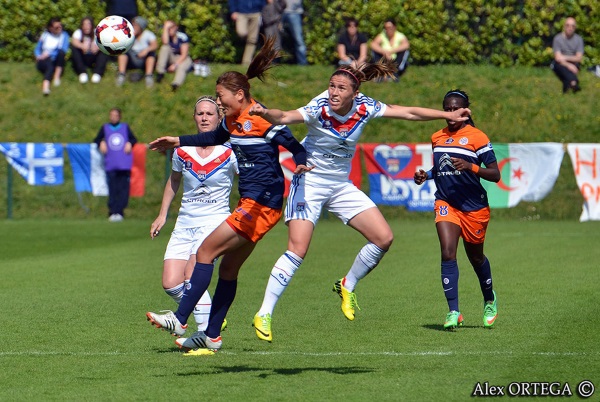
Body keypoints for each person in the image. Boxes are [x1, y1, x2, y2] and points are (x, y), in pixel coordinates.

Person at [248, 60, 472, 342]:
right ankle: (265, 312)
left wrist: (446, 115)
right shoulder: (319, 107)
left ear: (355, 93)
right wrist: (266, 112)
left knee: (383, 237)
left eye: (341, 87)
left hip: (340, 186)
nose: (333, 91)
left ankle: (347, 284)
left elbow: (409, 113)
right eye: (331, 85)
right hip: (310, 182)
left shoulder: (365, 107)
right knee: (298, 249)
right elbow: (284, 117)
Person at [145, 37, 311, 353]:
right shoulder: (233, 121)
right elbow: (213, 135)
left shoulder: (261, 118)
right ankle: (212, 336)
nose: (218, 103)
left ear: (239, 95)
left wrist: (301, 164)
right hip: (254, 204)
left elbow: (296, 147)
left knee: (205, 252)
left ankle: (180, 320)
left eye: (221, 97)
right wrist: (178, 140)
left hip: (263, 205)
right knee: (229, 270)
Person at [150, 96, 238, 333]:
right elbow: (174, 180)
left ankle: (204, 336)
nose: (204, 118)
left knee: (192, 273)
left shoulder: (230, 151)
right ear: (194, 117)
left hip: (214, 221)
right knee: (170, 283)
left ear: (220, 117)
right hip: (185, 221)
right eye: (200, 113)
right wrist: (162, 215)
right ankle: (206, 312)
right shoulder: (182, 150)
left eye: (210, 113)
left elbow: (249, 181)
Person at [413, 89, 500, 330]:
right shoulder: (437, 137)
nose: (451, 113)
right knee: (448, 251)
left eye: (455, 109)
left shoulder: (477, 137)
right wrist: (426, 175)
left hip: (474, 208)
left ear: (465, 111)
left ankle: (489, 299)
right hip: (446, 203)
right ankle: (454, 311)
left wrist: (471, 167)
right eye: (447, 109)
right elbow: (441, 168)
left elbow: (495, 174)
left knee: (476, 257)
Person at [93, 108, 137, 222]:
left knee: (123, 189)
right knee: (112, 189)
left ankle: (120, 211)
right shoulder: (105, 128)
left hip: (123, 164)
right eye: (111, 115)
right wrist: (101, 142)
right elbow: (96, 140)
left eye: (115, 115)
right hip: (111, 163)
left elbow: (134, 139)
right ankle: (112, 211)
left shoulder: (125, 127)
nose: (113, 117)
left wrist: (129, 143)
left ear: (119, 116)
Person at [116, 16, 158, 88]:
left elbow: (155, 45)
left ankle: (148, 77)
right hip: (132, 58)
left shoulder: (148, 34)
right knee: (123, 52)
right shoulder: (129, 34)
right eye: (133, 25)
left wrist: (146, 50)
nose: (133, 27)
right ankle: (121, 75)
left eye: (136, 25)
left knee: (151, 54)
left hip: (144, 59)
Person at [34, 17, 70, 96]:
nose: (60, 28)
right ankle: (45, 88)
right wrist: (38, 56)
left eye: (60, 25)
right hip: (44, 59)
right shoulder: (45, 35)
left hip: (56, 59)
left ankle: (56, 77)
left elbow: (63, 49)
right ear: (51, 28)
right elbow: (37, 48)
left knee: (61, 54)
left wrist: (49, 54)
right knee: (49, 67)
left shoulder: (64, 35)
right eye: (56, 27)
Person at [155, 20, 193, 91]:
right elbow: (165, 43)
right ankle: (160, 74)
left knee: (182, 66)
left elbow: (184, 54)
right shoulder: (166, 36)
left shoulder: (182, 37)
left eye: (171, 27)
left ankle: (176, 84)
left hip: (182, 58)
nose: (170, 30)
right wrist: (165, 29)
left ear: (176, 27)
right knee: (164, 48)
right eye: (168, 28)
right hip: (171, 57)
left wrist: (175, 65)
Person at [71, 16, 109, 84]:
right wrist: (82, 46)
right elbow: (74, 41)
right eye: (84, 24)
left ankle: (97, 73)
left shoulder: (96, 32)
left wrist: (97, 47)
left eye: (88, 24)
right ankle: (82, 73)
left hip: (94, 57)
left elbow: (104, 42)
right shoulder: (78, 32)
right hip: (83, 57)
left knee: (104, 50)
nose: (86, 26)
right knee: (74, 49)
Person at [551, 17, 584, 93]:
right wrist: (569, 65)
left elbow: (579, 58)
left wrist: (564, 57)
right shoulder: (558, 38)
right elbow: (557, 58)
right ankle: (573, 82)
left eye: (573, 26)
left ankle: (566, 89)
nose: (570, 28)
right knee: (561, 66)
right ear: (564, 26)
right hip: (560, 63)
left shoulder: (579, 39)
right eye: (568, 25)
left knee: (568, 68)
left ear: (575, 28)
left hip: (573, 62)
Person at [229, 0, 266, 65]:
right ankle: (245, 43)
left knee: (252, 39)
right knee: (241, 32)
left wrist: (261, 6)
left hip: (256, 12)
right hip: (241, 12)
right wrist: (233, 11)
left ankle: (246, 62)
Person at [281, 0, 308, 65]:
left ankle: (302, 63)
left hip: (294, 12)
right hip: (279, 12)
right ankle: (273, 62)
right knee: (275, 39)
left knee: (298, 40)